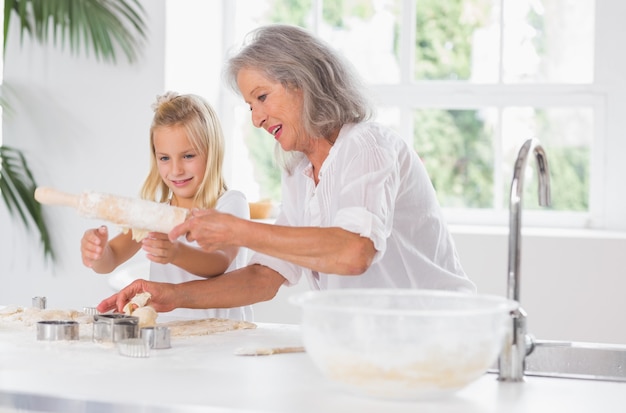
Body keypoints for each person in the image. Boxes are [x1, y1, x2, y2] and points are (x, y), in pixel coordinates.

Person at [97, 24, 475, 315]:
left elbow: (354, 252)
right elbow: (265, 277)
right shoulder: (299, 173)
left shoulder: (367, 145)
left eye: (262, 97)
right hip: (370, 346)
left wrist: (237, 230)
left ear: (303, 84)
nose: (257, 119)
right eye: (250, 106)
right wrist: (172, 295)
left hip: (435, 335)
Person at [82, 91, 252, 320]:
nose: (176, 170)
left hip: (225, 338)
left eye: (188, 156)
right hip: (172, 337)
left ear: (212, 152)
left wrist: (176, 253)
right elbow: (109, 261)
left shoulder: (231, 204)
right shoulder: (155, 214)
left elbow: (219, 262)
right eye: (164, 158)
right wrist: (98, 251)